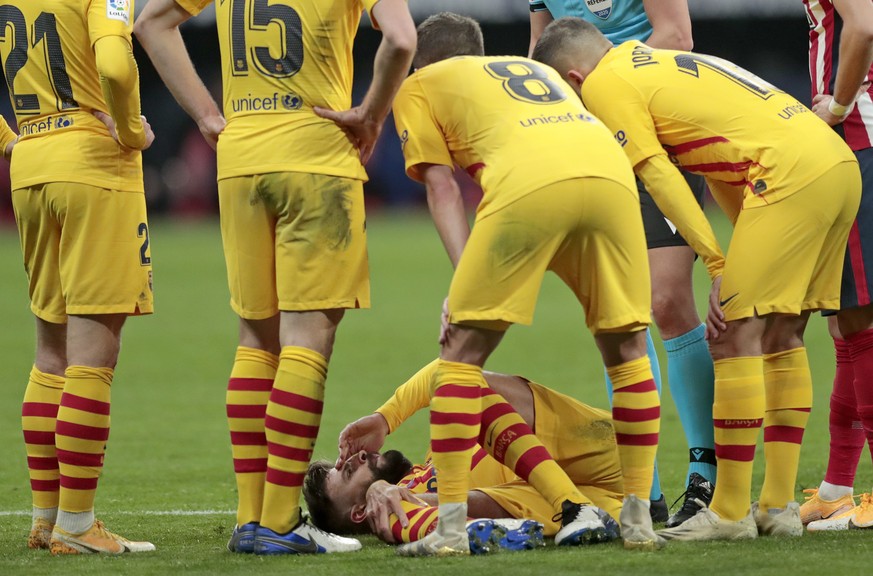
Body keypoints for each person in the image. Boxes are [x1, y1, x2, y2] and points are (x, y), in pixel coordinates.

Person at [330, 12, 663, 555]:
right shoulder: (536, 71)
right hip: (611, 173)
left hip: (530, 181)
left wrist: (463, 285)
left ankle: (450, 530)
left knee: (461, 355)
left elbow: (441, 190)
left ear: (422, 63)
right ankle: (639, 517)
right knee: (626, 349)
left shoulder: (419, 85)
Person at [532, 17, 861, 541]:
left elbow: (660, 176)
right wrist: (732, 253)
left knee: (731, 333)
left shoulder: (605, 85)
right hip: (835, 166)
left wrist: (715, 262)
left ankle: (729, 511)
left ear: (574, 79)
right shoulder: (653, 64)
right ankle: (775, 508)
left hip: (788, 172)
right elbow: (719, 166)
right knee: (782, 333)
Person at [133, 0, 416, 555]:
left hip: (240, 160)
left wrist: (208, 116)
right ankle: (282, 521)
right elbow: (401, 41)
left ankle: (250, 519)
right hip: (315, 153)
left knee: (256, 338)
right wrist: (371, 115)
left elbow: (150, 23)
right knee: (307, 339)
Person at [528, 0, 717, 530]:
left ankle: (705, 476)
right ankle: (643, 490)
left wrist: (596, 90)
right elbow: (541, 53)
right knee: (617, 316)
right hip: (591, 142)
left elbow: (676, 35)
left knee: (667, 300)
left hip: (656, 125)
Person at [1, 0, 156, 554]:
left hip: (31, 161)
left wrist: (8, 139)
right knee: (93, 355)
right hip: (91, 165)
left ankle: (46, 519)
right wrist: (134, 131)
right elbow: (114, 65)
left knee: (50, 352)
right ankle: (77, 524)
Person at [303, 361, 625, 549]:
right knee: (397, 513)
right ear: (359, 513)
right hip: (602, 503)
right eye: (348, 472)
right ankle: (474, 530)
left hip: (596, 448)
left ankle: (570, 503)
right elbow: (477, 500)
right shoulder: (402, 510)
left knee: (457, 382)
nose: (358, 457)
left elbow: (443, 371)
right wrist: (392, 498)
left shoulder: (439, 451)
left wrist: (385, 418)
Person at [799, 0, 873, 532]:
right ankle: (835, 490)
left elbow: (864, 23)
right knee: (845, 321)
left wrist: (839, 105)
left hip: (860, 142)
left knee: (861, 321)